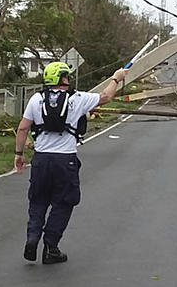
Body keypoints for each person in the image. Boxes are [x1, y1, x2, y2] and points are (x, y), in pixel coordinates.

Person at [13, 61, 127, 264]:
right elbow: (106, 97)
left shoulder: (36, 99)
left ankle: (32, 238)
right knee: (64, 202)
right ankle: (51, 247)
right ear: (62, 78)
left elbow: (23, 129)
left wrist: (19, 154)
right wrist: (116, 78)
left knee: (38, 201)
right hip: (65, 161)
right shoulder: (78, 98)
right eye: (66, 76)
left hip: (41, 160)